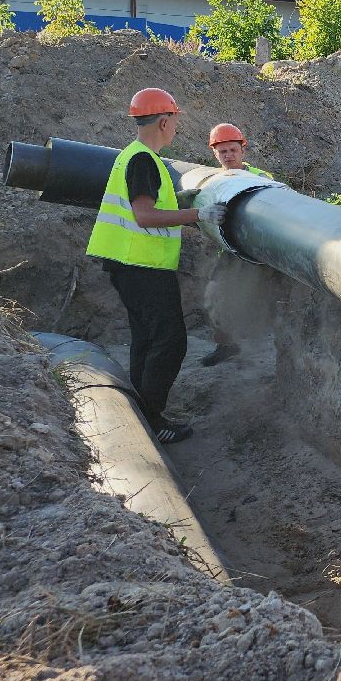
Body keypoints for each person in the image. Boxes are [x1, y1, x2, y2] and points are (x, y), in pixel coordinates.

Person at [86, 87, 225, 444]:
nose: (176, 128)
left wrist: (181, 200)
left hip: (129, 264)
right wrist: (197, 214)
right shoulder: (144, 160)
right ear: (164, 121)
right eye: (175, 121)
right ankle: (152, 420)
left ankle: (144, 414)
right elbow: (145, 215)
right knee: (171, 341)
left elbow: (149, 204)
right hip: (141, 266)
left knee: (146, 340)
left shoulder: (132, 155)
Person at [198, 123, 273, 367]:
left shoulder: (260, 178)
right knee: (213, 294)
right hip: (231, 250)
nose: (228, 156)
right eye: (223, 152)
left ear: (243, 150)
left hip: (259, 250)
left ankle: (270, 346)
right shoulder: (216, 181)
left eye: (232, 150)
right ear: (215, 154)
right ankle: (226, 345)